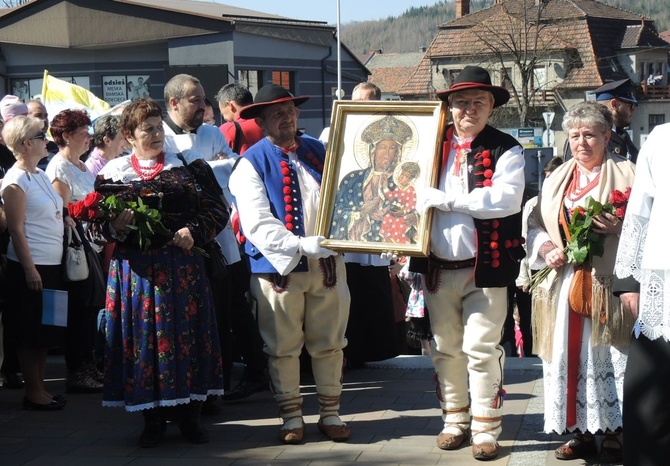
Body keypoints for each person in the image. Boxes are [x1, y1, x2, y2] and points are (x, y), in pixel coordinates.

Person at [95, 98, 228, 447]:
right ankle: (151, 419)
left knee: (187, 338)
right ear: (128, 135)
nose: (156, 135)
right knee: (142, 343)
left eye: (158, 127)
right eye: (147, 129)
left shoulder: (188, 168)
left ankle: (191, 416)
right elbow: (97, 230)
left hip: (181, 270)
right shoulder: (113, 175)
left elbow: (217, 209)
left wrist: (193, 231)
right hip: (136, 276)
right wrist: (117, 227)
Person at [410, 65, 526, 461]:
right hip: (438, 268)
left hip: (486, 266)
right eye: (461, 103)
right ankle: (454, 420)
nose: (468, 110)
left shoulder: (507, 147)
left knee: (480, 347)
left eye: (478, 102)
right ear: (449, 106)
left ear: (491, 106)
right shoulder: (429, 146)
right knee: (445, 348)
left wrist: (449, 201)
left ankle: (485, 427)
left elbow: (506, 199)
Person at [229, 84, 351, 444]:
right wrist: (299, 245)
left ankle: (330, 412)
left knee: (330, 342)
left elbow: (346, 198)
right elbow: (256, 223)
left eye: (291, 111)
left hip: (327, 265)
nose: (287, 117)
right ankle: (291, 416)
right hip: (279, 270)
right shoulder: (250, 163)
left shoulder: (320, 151)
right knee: (282, 346)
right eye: (278, 113)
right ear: (262, 120)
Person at [528, 101, 635, 463]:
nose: (581, 143)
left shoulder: (629, 174)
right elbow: (534, 224)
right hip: (565, 285)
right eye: (574, 135)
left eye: (590, 134)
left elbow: (653, 225)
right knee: (569, 356)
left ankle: (619, 431)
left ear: (607, 136)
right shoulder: (557, 178)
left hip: (611, 285)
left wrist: (621, 228)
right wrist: (546, 248)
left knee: (610, 354)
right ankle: (582, 433)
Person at [162, 74, 267, 404]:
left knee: (232, 305)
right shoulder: (159, 135)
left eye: (205, 99)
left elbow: (233, 167)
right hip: (180, 237)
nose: (205, 107)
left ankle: (247, 373)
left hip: (217, 231)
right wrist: (209, 169)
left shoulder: (210, 133)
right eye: (196, 100)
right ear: (174, 103)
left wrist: (202, 170)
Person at [326, 82, 400, 369]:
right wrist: (361, 212)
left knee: (375, 296)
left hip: (378, 246)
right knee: (349, 297)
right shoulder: (336, 132)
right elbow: (338, 198)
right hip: (351, 244)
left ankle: (374, 350)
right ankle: (350, 352)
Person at [0, 115, 67, 410]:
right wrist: (29, 268)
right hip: (32, 266)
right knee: (30, 331)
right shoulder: (14, 182)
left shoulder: (38, 174)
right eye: (42, 135)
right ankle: (34, 392)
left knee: (46, 331)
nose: (46, 139)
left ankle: (41, 389)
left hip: (51, 265)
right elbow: (15, 229)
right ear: (27, 143)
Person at [614, 122, 670, 466]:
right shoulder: (662, 138)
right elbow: (640, 210)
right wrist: (630, 281)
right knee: (650, 404)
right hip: (663, 287)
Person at [45, 109, 104, 394]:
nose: (89, 137)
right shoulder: (59, 168)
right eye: (84, 132)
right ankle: (77, 370)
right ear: (67, 136)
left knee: (90, 309)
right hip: (75, 249)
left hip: (92, 245)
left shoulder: (80, 165)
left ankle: (88, 364)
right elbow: (62, 212)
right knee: (79, 310)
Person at [503, 156, 564, 358]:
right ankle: (529, 359)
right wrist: (523, 277)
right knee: (531, 323)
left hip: (560, 270)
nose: (548, 183)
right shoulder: (533, 203)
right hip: (534, 273)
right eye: (546, 178)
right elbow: (526, 240)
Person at [329, 114, 414, 242]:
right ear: (372, 152)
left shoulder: (402, 183)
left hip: (389, 245)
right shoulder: (353, 179)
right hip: (355, 248)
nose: (386, 154)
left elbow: (412, 208)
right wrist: (360, 213)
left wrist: (413, 217)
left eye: (392, 149)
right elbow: (336, 214)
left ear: (398, 153)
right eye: (382, 148)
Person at [564, 78, 638, 163]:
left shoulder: (622, 135)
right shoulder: (580, 138)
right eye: (630, 106)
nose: (633, 110)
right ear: (614, 105)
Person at [216, 83, 264, 155]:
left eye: (222, 114)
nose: (225, 119)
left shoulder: (227, 129)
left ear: (230, 105)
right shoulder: (267, 123)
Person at [380, 161, 420, 244]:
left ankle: (400, 242)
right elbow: (391, 197)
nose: (401, 177)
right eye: (401, 174)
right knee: (387, 217)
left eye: (405, 176)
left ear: (410, 180)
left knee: (400, 222)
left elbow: (411, 204)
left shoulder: (410, 190)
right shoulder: (398, 188)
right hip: (396, 212)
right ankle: (388, 239)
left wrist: (403, 211)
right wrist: (385, 186)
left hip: (405, 214)